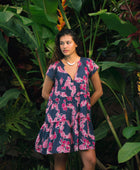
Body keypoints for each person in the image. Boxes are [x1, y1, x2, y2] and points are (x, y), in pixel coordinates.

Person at [35, 28, 103, 170]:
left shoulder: (88, 64)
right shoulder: (55, 67)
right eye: (61, 43)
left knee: (90, 162)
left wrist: (85, 106)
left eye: (68, 42)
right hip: (60, 120)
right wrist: (61, 106)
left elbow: (98, 91)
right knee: (60, 163)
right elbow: (45, 93)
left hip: (81, 119)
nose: (64, 46)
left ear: (76, 44)